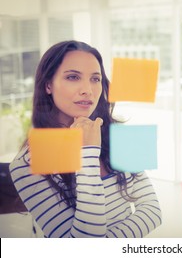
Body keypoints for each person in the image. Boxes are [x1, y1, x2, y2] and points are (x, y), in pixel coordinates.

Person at [9, 40, 162, 238]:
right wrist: (88, 154)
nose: (87, 90)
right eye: (73, 77)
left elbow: (153, 211)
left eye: (95, 79)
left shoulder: (120, 134)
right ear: (48, 85)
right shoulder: (26, 164)